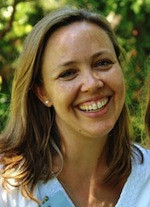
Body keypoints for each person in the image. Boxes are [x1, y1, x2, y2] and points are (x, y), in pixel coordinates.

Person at [0, 7, 150, 207]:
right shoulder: (8, 188)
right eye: (68, 73)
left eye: (102, 63)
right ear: (42, 92)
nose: (92, 83)